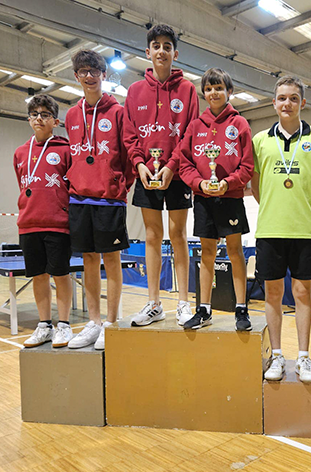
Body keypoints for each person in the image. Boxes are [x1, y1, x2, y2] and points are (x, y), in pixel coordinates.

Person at [252, 76, 311, 384]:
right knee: (273, 293)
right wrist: (276, 206)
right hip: (270, 229)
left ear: (303, 103)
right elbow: (257, 187)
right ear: (274, 103)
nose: (287, 103)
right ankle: (276, 355)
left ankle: (303, 357)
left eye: (293, 98)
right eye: (281, 98)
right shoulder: (261, 140)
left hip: (305, 230)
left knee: (302, 293)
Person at [123, 24, 199, 327]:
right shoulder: (134, 91)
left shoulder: (188, 90)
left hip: (177, 173)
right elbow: (129, 134)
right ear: (148, 52)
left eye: (167, 46)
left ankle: (183, 302)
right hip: (145, 174)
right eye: (156, 45)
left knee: (178, 235)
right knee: (152, 236)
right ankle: (153, 303)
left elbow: (191, 133)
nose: (161, 51)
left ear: (175, 53)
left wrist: (172, 166)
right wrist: (140, 164)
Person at [65, 49, 135, 350]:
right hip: (80, 200)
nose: (89, 76)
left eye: (94, 70)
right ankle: (93, 322)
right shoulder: (70, 115)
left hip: (109, 200)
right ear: (76, 76)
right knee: (88, 261)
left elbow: (129, 155)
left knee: (111, 260)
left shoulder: (118, 112)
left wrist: (120, 186)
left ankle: (110, 322)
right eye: (83, 71)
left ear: (103, 74)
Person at [179, 68, 254, 331]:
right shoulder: (195, 126)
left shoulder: (239, 124)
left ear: (229, 91)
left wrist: (227, 183)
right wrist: (199, 183)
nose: (214, 93)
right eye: (209, 89)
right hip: (203, 200)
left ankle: (241, 309)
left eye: (219, 88)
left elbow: (247, 166)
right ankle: (204, 310)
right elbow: (184, 163)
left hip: (230, 198)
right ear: (204, 93)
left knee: (235, 252)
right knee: (207, 253)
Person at [15, 94, 74, 348]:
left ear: (55, 121)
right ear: (29, 119)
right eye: (35, 114)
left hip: (58, 223)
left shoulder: (65, 150)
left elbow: (72, 186)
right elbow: (23, 185)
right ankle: (44, 325)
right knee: (38, 276)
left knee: (60, 275)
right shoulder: (19, 153)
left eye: (45, 114)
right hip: (29, 223)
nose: (39, 118)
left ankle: (64, 325)